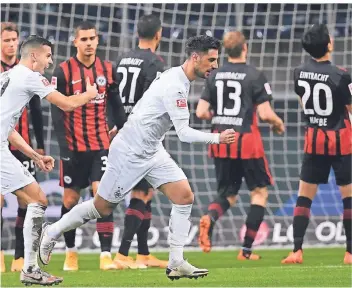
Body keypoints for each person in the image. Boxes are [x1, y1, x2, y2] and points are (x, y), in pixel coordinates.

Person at [39, 35, 236, 280]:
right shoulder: (174, 84)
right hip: (130, 152)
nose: (215, 65)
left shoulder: (179, 77)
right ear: (195, 57)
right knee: (101, 207)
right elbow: (184, 134)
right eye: (211, 60)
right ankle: (52, 232)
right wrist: (218, 138)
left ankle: (176, 262)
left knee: (184, 196)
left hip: (152, 150)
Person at [0, 34, 98, 285]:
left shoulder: (7, 77)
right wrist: (89, 94)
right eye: (47, 56)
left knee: (34, 200)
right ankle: (30, 268)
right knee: (38, 199)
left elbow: (7, 129)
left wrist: (34, 154)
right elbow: (65, 104)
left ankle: (29, 267)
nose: (50, 61)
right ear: (34, 56)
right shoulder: (30, 77)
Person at [196, 30, 285, 260]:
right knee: (259, 193)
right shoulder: (255, 75)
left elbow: (201, 111)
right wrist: (278, 123)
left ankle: (210, 218)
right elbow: (265, 114)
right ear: (245, 48)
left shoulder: (214, 75)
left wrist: (221, 117)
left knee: (228, 195)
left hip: (221, 141)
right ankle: (246, 250)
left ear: (225, 51)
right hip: (247, 142)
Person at [51, 21, 126, 271]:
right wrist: (63, 147)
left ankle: (106, 255)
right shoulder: (62, 72)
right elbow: (56, 112)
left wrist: (119, 126)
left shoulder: (108, 68)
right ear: (75, 42)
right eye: (83, 39)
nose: (89, 43)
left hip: (100, 145)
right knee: (71, 199)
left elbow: (116, 102)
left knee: (102, 196)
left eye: (92, 38)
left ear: (98, 40)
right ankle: (71, 252)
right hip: (73, 147)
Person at [282, 24, 352, 265]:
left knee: (305, 196)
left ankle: (297, 251)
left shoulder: (298, 72)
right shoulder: (341, 75)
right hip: (341, 141)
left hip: (314, 140)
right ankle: (350, 253)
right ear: (329, 44)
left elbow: (304, 103)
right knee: (349, 196)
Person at [110, 14, 167, 269]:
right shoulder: (155, 62)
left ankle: (143, 253)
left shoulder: (122, 58)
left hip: (122, 130)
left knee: (147, 192)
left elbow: (112, 93)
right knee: (141, 192)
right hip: (141, 134)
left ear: (136, 33)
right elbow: (152, 101)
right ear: (159, 34)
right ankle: (122, 255)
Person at [0, 21, 46, 273]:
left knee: (27, 202)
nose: (10, 44)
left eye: (14, 40)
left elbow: (36, 109)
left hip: (20, 141)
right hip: (3, 142)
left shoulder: (25, 71)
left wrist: (37, 146)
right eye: (6, 40)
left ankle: (21, 257)